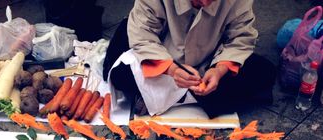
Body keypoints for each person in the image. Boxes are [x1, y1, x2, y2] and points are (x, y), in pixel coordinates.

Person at [103, 0, 276, 118]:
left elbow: (241, 38)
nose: (206, 3)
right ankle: (178, 95)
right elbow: (143, 34)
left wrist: (219, 69)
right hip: (161, 55)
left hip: (208, 59)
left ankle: (165, 96)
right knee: (119, 74)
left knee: (264, 72)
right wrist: (172, 69)